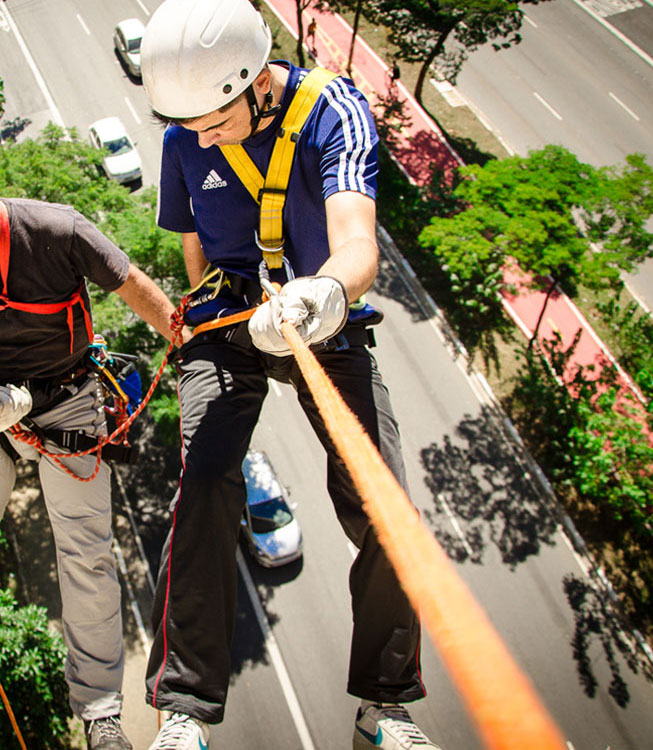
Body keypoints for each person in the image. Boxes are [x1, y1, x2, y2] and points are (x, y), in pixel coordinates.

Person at [137, 1, 440, 749]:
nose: (198, 137)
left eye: (214, 119)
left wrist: (322, 293)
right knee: (204, 481)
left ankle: (385, 705)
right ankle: (183, 710)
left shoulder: (333, 111)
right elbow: (196, 250)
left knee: (384, 501)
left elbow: (358, 243)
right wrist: (216, 326)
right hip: (232, 316)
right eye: (188, 124)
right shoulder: (186, 129)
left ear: (254, 81)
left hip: (320, 310)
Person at [0, 123, 181, 750]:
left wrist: (192, 343)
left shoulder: (57, 231)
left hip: (68, 397)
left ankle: (101, 713)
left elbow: (139, 292)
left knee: (87, 553)